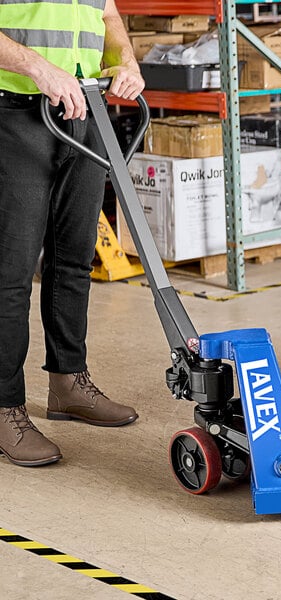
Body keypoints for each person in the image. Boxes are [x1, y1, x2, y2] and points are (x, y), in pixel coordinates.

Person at [0, 0, 145, 466]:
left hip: (85, 109)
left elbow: (107, 16)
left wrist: (125, 59)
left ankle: (68, 382)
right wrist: (39, 68)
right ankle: (4, 407)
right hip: (15, 113)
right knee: (12, 271)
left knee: (73, 260)